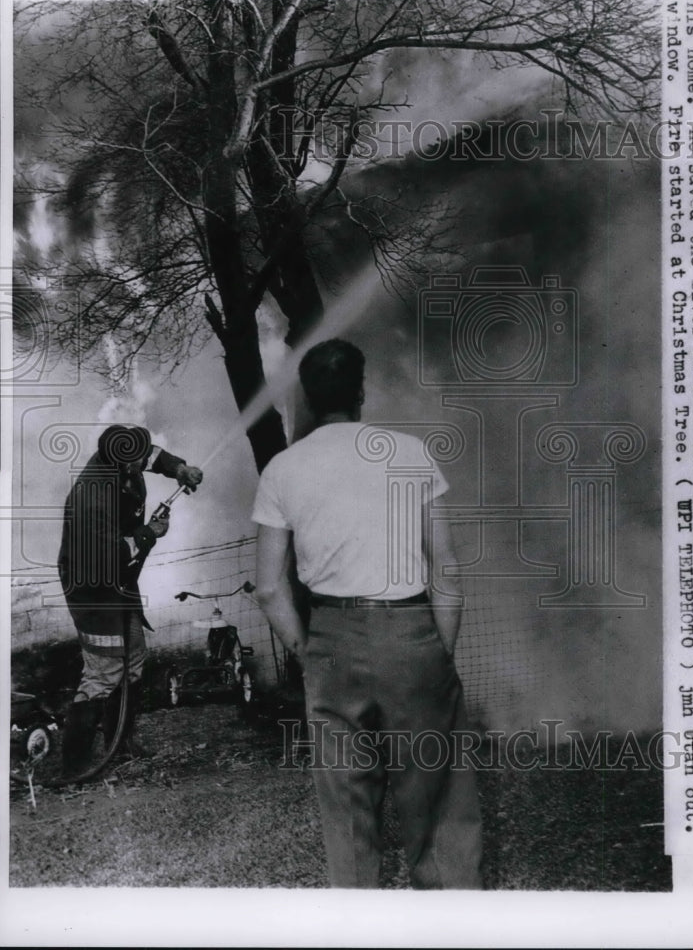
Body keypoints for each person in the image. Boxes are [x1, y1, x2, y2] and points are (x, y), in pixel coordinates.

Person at [251, 338, 483, 889]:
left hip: (331, 638)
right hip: (412, 633)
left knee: (348, 813)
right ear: (360, 390)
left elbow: (267, 588)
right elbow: (446, 570)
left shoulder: (282, 470)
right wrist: (437, 649)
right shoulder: (410, 453)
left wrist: (311, 652)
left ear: (308, 397)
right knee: (440, 799)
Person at [57, 424, 202, 778]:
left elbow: (150, 453)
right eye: (136, 460)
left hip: (120, 583)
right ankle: (74, 768)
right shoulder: (91, 498)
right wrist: (150, 533)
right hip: (94, 587)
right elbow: (109, 556)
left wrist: (178, 468)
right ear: (121, 464)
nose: (144, 460)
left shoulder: (123, 454)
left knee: (134, 658)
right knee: (103, 672)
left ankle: (119, 743)